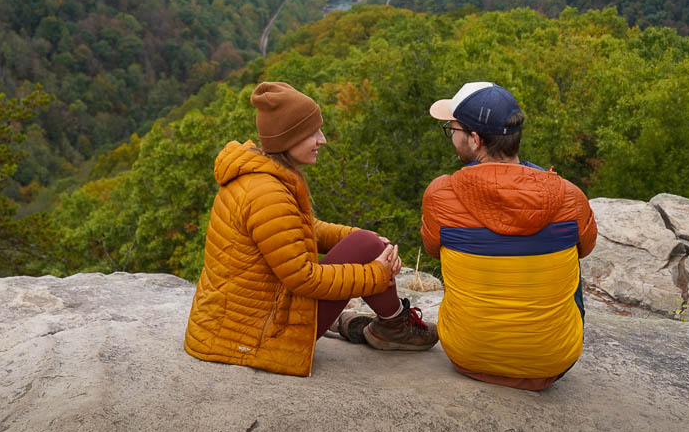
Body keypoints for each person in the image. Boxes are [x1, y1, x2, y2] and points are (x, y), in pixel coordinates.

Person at [184, 81, 437, 377]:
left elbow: (299, 229)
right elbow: (304, 279)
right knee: (367, 249)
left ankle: (376, 323)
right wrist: (377, 274)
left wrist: (352, 238)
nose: (323, 140)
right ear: (287, 138)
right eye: (312, 133)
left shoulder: (259, 176)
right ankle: (394, 327)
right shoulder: (268, 194)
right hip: (258, 334)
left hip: (241, 321)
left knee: (366, 243)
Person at [421, 81, 597, 390]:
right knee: (569, 250)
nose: (452, 136)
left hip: (466, 353)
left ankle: (488, 336)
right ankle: (534, 346)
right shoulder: (570, 196)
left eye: (453, 130)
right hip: (552, 362)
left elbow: (432, 249)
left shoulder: (440, 193)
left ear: (475, 140)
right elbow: (588, 247)